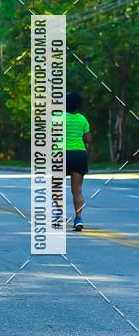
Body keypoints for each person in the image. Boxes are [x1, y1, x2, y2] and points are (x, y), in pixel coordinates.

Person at [66, 91, 91, 231]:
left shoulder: (57, 119)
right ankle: (78, 218)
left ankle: (58, 215)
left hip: (61, 154)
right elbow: (88, 139)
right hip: (79, 155)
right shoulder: (83, 119)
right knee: (77, 190)